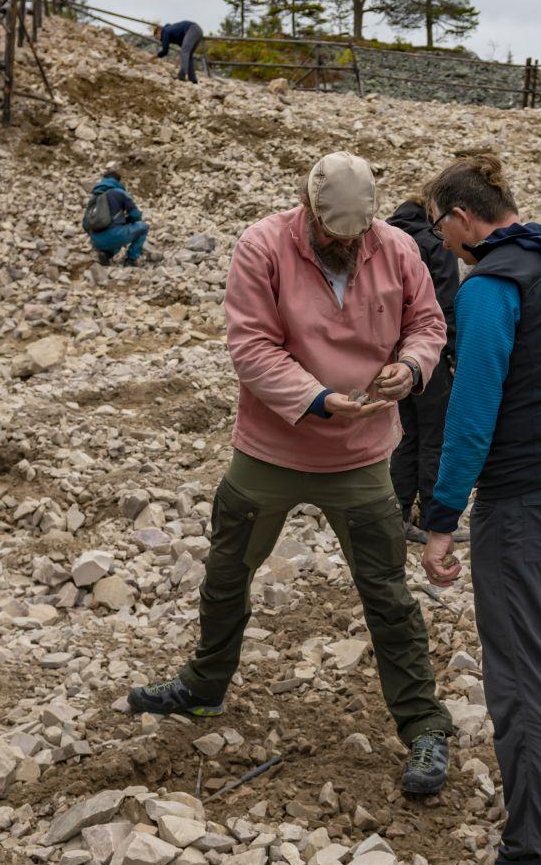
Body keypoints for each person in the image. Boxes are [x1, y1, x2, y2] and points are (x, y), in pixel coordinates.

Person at [126, 152, 455, 796]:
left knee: (386, 593)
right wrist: (314, 398)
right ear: (306, 208)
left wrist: (411, 369)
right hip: (272, 449)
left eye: (355, 235)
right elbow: (250, 344)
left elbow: (428, 324)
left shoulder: (395, 249)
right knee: (226, 574)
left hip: (362, 455)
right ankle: (204, 685)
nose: (345, 245)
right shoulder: (262, 245)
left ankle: (423, 725)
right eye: (333, 234)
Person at [419, 154, 541, 865]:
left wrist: (441, 516)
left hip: (526, 498)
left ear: (463, 217)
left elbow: (473, 412)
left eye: (441, 228)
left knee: (523, 674)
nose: (443, 242)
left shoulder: (493, 284)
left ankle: (534, 857)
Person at [386, 194, 460, 544]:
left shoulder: (383, 238)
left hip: (389, 354)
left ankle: (398, 513)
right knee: (435, 437)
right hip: (426, 354)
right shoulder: (436, 242)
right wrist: (453, 353)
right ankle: (433, 519)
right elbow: (445, 305)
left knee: (406, 435)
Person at [84, 169, 149, 265]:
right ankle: (131, 260)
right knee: (143, 227)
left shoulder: (94, 197)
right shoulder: (119, 192)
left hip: (96, 241)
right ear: (117, 181)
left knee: (116, 231)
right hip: (115, 235)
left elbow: (85, 224)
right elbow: (135, 214)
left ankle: (105, 254)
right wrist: (130, 222)